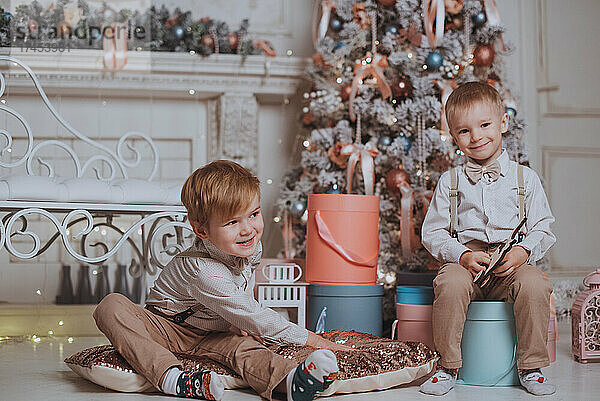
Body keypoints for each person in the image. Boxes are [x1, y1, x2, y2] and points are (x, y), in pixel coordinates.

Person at [94, 160, 350, 401]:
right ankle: (172, 378)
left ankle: (291, 383)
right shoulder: (203, 270)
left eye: (253, 214)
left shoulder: (248, 247)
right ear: (202, 230)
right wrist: (314, 340)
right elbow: (253, 314)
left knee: (246, 349)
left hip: (213, 333)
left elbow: (242, 298)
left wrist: (240, 326)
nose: (248, 229)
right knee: (111, 305)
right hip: (165, 329)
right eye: (232, 222)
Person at [419, 82, 556, 396]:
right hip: (467, 263)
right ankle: (447, 366)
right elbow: (433, 233)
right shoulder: (450, 181)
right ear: (453, 137)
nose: (477, 136)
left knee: (534, 283)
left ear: (504, 123)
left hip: (511, 265)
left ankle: (531, 366)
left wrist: (523, 251)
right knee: (449, 284)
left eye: (485, 125)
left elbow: (543, 227)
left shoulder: (526, 178)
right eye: (464, 131)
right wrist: (462, 255)